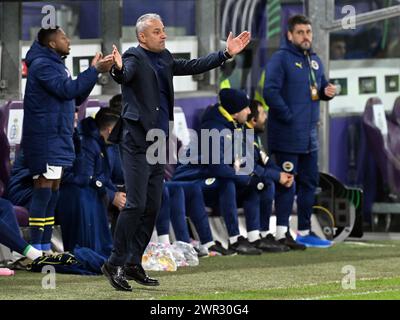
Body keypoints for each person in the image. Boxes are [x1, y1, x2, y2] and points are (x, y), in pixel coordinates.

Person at [102, 13, 250, 291]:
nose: (164, 35)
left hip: (158, 140)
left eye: (163, 30)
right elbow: (124, 74)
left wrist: (225, 54)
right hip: (136, 141)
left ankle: (134, 261)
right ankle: (114, 262)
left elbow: (193, 65)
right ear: (142, 36)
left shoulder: (166, 57)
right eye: (157, 32)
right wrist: (117, 70)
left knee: (154, 205)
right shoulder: (133, 57)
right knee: (135, 204)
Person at [22, 26, 113, 255]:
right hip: (45, 138)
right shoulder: (42, 66)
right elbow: (66, 89)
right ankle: (36, 250)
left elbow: (75, 95)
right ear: (52, 44)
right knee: (43, 190)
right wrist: (93, 70)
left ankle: (45, 250)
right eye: (64, 37)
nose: (69, 41)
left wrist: (95, 73)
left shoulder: (55, 65)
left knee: (53, 192)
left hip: (59, 137)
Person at [263, 15, 336, 248]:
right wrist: (289, 117)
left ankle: (304, 231)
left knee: (308, 183)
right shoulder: (281, 59)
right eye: (301, 32)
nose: (306, 36)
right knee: (287, 182)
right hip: (287, 135)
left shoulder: (315, 60)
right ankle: (281, 233)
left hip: (310, 136)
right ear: (290, 35)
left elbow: (320, 86)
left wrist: (327, 91)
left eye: (309, 32)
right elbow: (269, 92)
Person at [58, 108, 122, 255]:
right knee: (90, 195)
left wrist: (116, 193)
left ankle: (121, 248)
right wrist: (112, 196)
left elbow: (102, 177)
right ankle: (88, 250)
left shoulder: (103, 144)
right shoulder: (87, 143)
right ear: (110, 130)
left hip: (90, 188)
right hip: (72, 192)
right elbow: (84, 177)